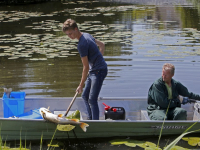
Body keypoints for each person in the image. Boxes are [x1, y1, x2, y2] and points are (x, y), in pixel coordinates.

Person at [62, 19, 108, 120]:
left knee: (92, 99)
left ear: (76, 29)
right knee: (85, 96)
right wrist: (98, 59)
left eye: (70, 33)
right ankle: (91, 119)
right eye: (67, 35)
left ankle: (95, 124)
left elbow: (86, 67)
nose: (70, 36)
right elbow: (102, 45)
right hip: (94, 70)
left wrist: (80, 85)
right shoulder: (87, 35)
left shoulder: (82, 44)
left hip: (99, 71)